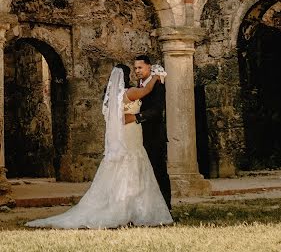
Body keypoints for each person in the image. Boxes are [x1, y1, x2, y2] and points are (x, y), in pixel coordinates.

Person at [26, 64, 173, 229]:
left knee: (124, 167)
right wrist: (156, 76)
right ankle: (134, 208)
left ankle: (126, 206)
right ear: (125, 76)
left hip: (124, 134)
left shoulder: (111, 98)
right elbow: (146, 91)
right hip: (131, 133)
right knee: (133, 165)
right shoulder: (129, 92)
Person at [124, 55, 171, 209]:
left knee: (159, 171)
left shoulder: (158, 84)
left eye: (140, 67)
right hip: (137, 137)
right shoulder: (139, 85)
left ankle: (166, 206)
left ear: (149, 67)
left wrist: (136, 117)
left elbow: (157, 110)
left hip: (154, 135)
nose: (137, 71)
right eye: (135, 68)